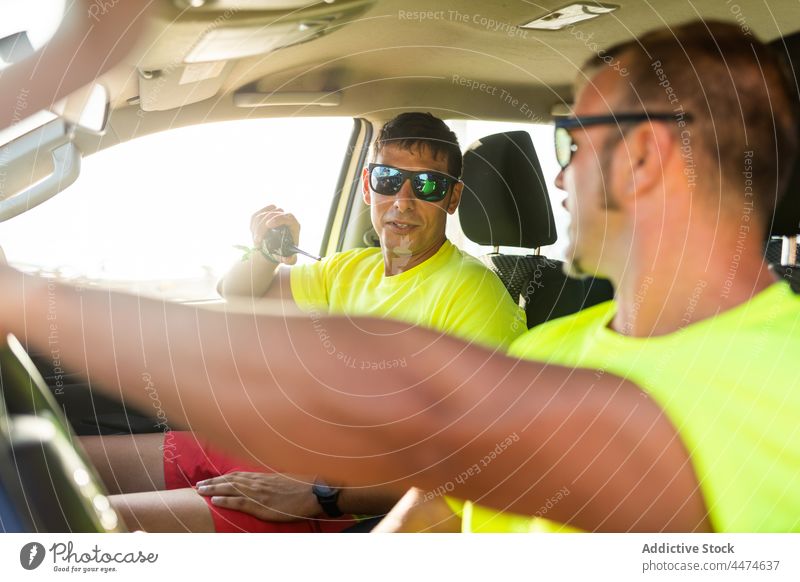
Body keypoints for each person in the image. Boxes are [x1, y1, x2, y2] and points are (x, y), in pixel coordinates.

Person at [1, 19, 797, 533]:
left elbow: (429, 408)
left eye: (570, 143)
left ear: (648, 157)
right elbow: (440, 503)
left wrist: (25, 300)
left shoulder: (782, 374)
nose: (560, 181)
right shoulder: (560, 342)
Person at [77, 111, 526, 532]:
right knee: (56, 462)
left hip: (341, 497)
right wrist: (268, 252)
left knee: (78, 518)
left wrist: (319, 494)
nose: (402, 201)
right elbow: (237, 292)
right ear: (368, 187)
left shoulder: (474, 295)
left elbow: (466, 463)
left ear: (452, 198)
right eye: (389, 179)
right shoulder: (353, 268)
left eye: (427, 186)